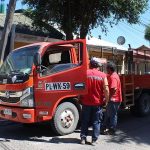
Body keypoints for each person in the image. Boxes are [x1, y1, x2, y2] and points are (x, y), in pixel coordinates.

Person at [80, 57, 109, 146]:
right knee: (96, 121)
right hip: (97, 103)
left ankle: (83, 139)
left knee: (85, 120)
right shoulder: (103, 75)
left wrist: (79, 98)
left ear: (90, 64)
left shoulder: (84, 74)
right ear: (98, 66)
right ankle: (94, 140)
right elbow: (106, 89)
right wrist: (106, 101)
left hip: (86, 102)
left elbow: (80, 87)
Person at [102, 61, 122, 135]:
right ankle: (104, 126)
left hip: (114, 100)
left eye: (107, 68)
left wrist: (108, 98)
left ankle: (112, 129)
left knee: (113, 115)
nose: (106, 70)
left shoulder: (113, 77)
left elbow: (114, 89)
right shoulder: (112, 75)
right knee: (107, 114)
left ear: (110, 69)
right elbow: (105, 76)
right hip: (113, 100)